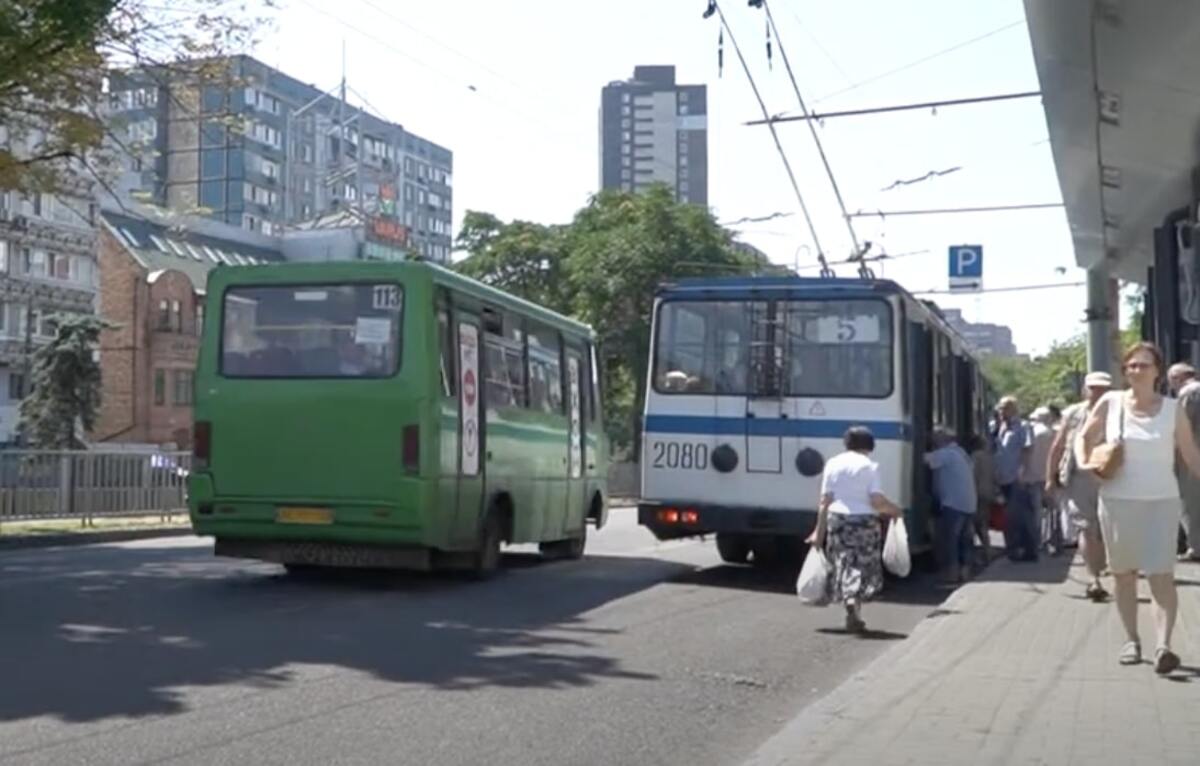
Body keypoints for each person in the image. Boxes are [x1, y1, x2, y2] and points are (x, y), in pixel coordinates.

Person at [1075, 342, 1200, 673]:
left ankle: (1163, 646)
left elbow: (1190, 455)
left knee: (1161, 575)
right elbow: (1084, 437)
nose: (1136, 371)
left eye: (1143, 366)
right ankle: (1132, 641)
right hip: (1117, 502)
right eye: (1131, 366)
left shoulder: (1174, 409)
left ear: (1158, 371)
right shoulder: (1111, 403)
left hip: (1162, 500)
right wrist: (1087, 464)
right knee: (1124, 575)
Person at [807, 426, 903, 634]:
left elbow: (825, 501)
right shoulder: (869, 466)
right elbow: (876, 501)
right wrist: (895, 510)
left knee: (843, 562)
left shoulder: (833, 463)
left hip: (837, 520)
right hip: (863, 522)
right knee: (861, 564)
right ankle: (853, 602)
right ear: (869, 445)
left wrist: (818, 532)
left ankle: (852, 609)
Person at [1046, 371, 1112, 601]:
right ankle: (1094, 578)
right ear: (1085, 390)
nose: (1098, 392)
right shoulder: (1073, 413)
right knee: (1086, 527)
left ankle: (1100, 567)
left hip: (1110, 477)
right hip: (1079, 477)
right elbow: (1058, 445)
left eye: (1103, 388)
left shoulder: (1121, 412)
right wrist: (1049, 477)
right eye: (1094, 388)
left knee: (1104, 529)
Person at [925, 428, 978, 585]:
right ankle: (965, 570)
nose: (932, 440)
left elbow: (925, 460)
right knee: (964, 540)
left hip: (953, 504)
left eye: (935, 437)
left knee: (950, 540)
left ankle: (952, 574)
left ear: (943, 439)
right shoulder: (961, 453)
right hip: (968, 503)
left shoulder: (946, 454)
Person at [995, 396, 1036, 561]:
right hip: (1003, 478)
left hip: (1016, 478)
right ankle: (1012, 549)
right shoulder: (1000, 427)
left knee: (1020, 516)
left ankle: (1028, 550)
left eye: (1004, 407)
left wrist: (1022, 472)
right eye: (1000, 408)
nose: (1001, 411)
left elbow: (1027, 449)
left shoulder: (1023, 426)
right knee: (1008, 517)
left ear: (1013, 409)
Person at [1167, 362, 1200, 561]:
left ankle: (1196, 547)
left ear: (1177, 378)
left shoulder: (1188, 394)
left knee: (1191, 503)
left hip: (1192, 455)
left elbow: (1182, 429)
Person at [1027, 407, 1058, 554]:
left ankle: (1037, 541)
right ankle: (1054, 540)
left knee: (1037, 511)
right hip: (1049, 476)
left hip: (1033, 476)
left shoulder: (1033, 432)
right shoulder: (1054, 433)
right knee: (1053, 510)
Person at [969, 434, 997, 563]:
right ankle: (987, 550)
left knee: (974, 524)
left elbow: (973, 475)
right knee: (983, 523)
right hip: (988, 493)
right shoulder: (990, 458)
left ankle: (976, 554)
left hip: (977, 493)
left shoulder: (975, 457)